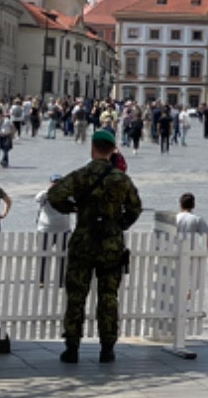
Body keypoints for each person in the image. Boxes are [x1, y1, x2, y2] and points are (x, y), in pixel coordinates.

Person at [44, 128, 143, 365]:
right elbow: (135, 208)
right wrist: (119, 225)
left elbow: (55, 195)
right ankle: (107, 348)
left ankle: (72, 348)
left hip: (84, 241)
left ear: (93, 148)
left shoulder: (81, 176)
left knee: (76, 295)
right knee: (108, 296)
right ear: (111, 151)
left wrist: (73, 208)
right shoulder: (121, 179)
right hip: (110, 243)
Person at [172, 192, 208, 269]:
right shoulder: (197, 219)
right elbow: (207, 236)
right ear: (193, 206)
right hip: (191, 252)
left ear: (180, 205)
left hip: (175, 252)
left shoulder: (174, 218)